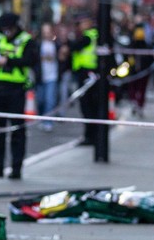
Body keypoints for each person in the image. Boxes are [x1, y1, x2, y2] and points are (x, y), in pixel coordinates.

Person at [0, 12, 36, 180]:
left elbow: (30, 60)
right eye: (4, 29)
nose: (6, 32)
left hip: (16, 91)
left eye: (9, 29)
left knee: (17, 131)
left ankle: (16, 168)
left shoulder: (27, 40)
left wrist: (8, 61)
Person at [67, 13, 103, 146]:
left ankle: (91, 136)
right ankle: (91, 135)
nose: (79, 26)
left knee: (88, 107)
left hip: (88, 76)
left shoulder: (89, 36)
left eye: (81, 23)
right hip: (86, 75)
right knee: (88, 107)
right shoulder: (91, 35)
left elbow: (74, 47)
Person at [35, 22, 60, 131]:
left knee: (50, 100)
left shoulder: (56, 45)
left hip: (52, 76)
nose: (46, 34)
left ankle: (48, 121)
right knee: (40, 100)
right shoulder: (38, 44)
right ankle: (42, 118)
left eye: (48, 32)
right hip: (41, 76)